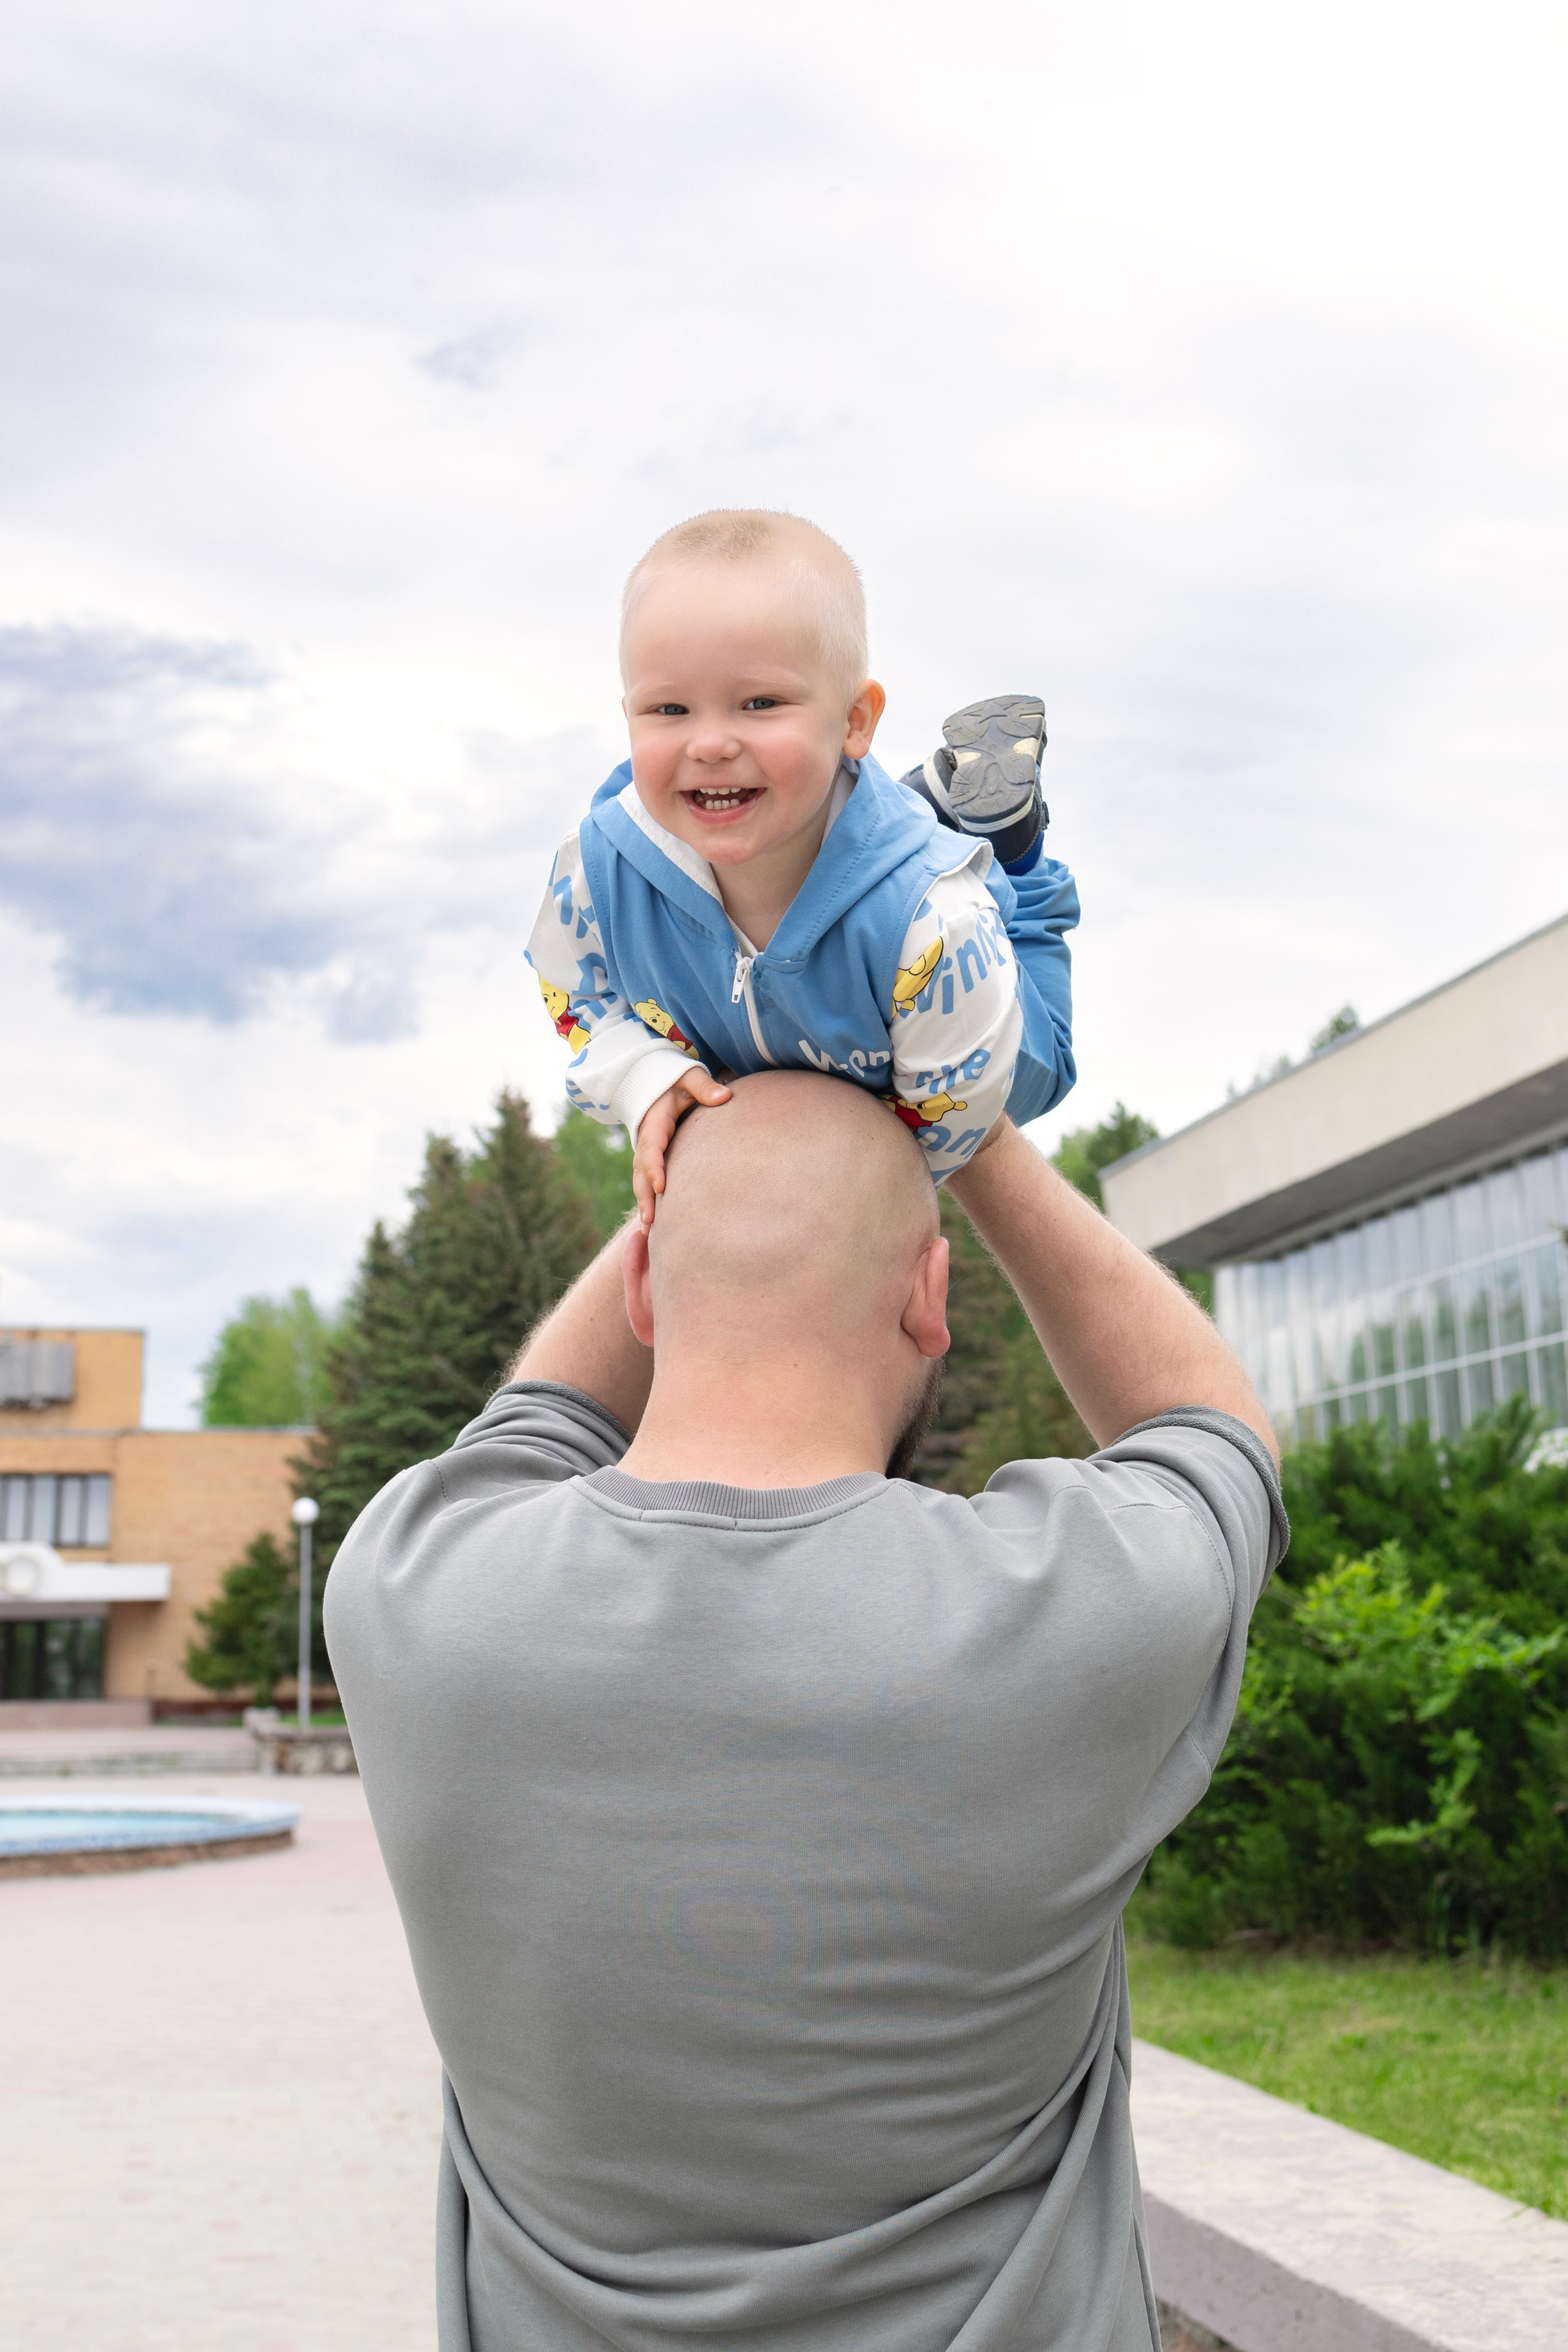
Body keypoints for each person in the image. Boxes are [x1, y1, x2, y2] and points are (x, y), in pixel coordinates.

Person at [326, 1072, 1286, 2352]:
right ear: (929, 1298)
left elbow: (539, 1421)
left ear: (642, 1292)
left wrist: (695, 1153)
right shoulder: (1069, 1614)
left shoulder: (415, 1589)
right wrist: (971, 1124)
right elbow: (1209, 1429)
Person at [524, 508, 1080, 1221]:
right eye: (669, 709)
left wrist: (829, 1215)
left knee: (1047, 1069)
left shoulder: (936, 928)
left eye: (760, 703)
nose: (711, 743)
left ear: (856, 721)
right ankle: (894, 806)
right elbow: (575, 991)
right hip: (797, 1017)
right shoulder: (599, 873)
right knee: (822, 808)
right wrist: (638, 1073)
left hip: (959, 1026)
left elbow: (951, 1126)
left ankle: (1008, 846)